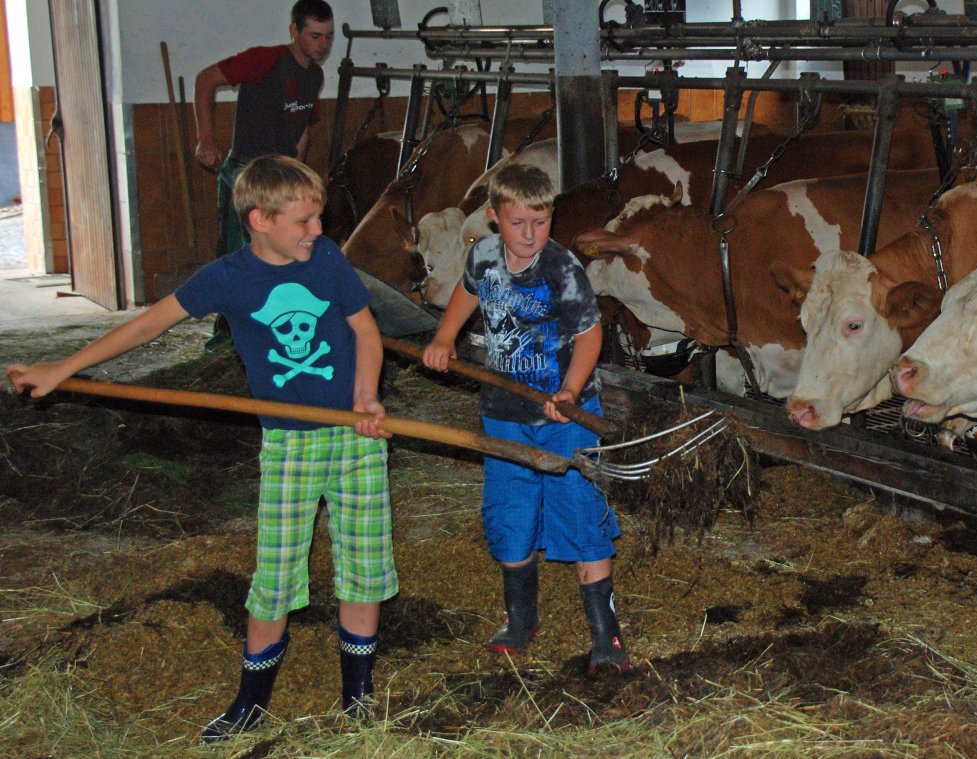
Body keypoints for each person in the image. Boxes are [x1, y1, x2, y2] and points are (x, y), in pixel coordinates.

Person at [7, 156, 398, 742]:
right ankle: (250, 704)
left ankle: (359, 700)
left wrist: (366, 398)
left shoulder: (327, 260)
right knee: (275, 576)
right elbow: (146, 326)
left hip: (355, 439)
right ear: (260, 219)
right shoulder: (225, 278)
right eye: (305, 221)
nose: (318, 230)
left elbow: (365, 331)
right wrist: (63, 368)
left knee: (363, 569)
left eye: (318, 219)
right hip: (289, 445)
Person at [420, 163, 631, 676]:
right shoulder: (484, 255)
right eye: (519, 223)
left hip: (567, 416)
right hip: (505, 412)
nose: (531, 234)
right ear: (495, 218)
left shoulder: (562, 268)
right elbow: (469, 291)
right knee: (510, 511)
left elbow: (589, 336)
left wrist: (569, 390)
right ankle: (520, 620)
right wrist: (446, 336)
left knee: (583, 512)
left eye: (541, 221)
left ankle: (607, 637)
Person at [194, 0, 334, 350]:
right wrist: (206, 139)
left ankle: (267, 333)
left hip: (280, 181)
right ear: (294, 31)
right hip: (245, 175)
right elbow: (205, 80)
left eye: (328, 37)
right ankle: (225, 341)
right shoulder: (263, 60)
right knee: (238, 258)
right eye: (315, 36)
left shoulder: (314, 75)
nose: (323, 44)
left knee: (281, 255)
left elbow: (302, 128)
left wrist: (299, 174)